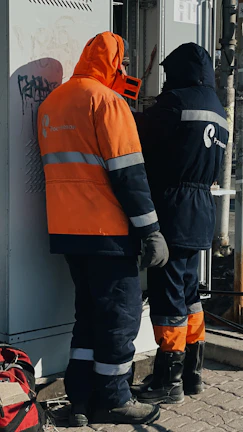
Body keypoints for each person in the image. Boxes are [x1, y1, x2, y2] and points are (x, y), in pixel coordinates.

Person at [37, 31, 169, 426]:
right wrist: (151, 230)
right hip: (107, 229)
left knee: (89, 315)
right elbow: (129, 175)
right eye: (123, 63)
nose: (126, 70)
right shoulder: (107, 101)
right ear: (111, 63)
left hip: (66, 231)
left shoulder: (52, 102)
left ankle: (78, 400)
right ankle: (113, 399)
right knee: (120, 318)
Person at [133, 43, 229, 404]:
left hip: (172, 210)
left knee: (168, 295)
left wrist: (125, 104)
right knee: (189, 295)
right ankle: (192, 374)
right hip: (200, 210)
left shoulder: (177, 102)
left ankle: (167, 381)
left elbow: (138, 133)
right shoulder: (218, 108)